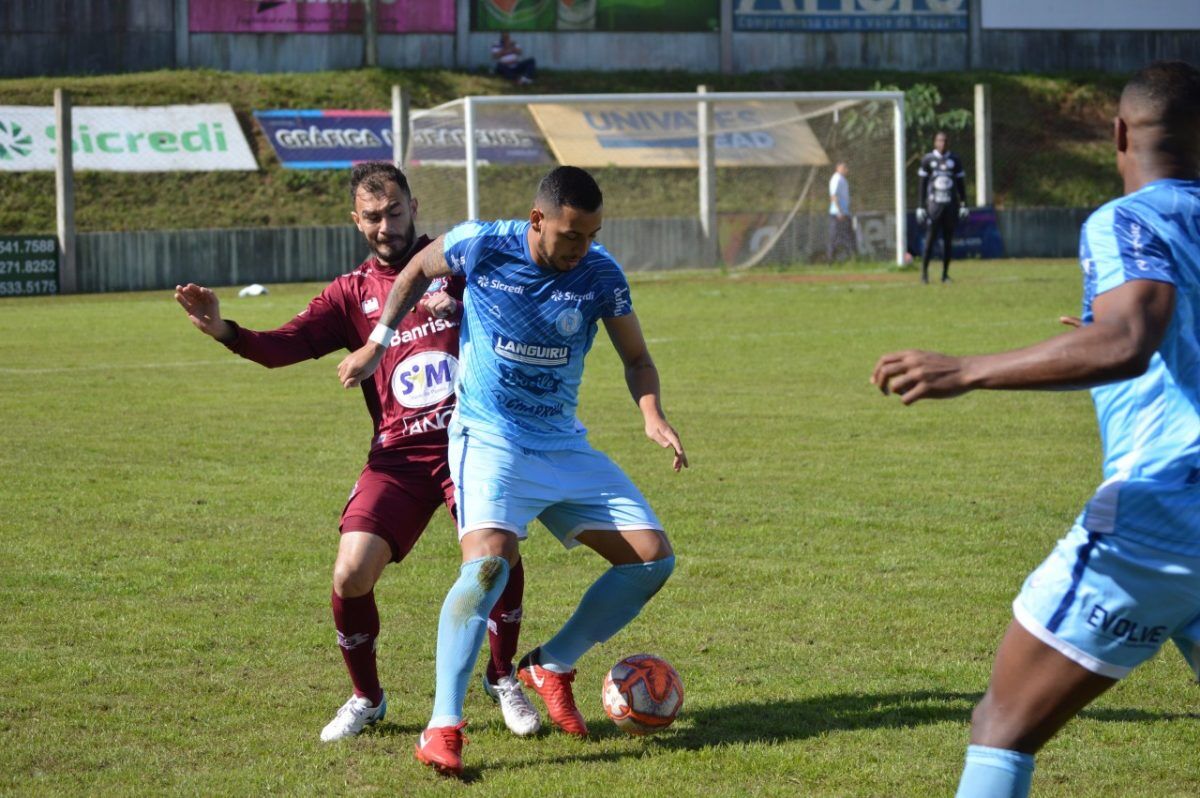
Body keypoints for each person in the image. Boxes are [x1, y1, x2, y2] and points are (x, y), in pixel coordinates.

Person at [872, 60, 1200, 798]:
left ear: (1118, 133)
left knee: (1003, 724)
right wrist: (1102, 336)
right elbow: (1151, 340)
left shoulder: (1129, 218)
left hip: (1165, 512)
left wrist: (966, 369)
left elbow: (1127, 341)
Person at [337, 165, 686, 777]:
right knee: (488, 564)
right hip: (489, 438)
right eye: (572, 235)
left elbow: (637, 358)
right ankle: (443, 726)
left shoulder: (600, 273)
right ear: (537, 220)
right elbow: (418, 269)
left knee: (653, 558)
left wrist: (652, 414)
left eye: (593, 234)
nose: (583, 248)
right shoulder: (483, 242)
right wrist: (379, 340)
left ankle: (550, 664)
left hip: (560, 443)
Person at [174, 161, 541, 743]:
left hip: (471, 447)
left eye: (394, 212)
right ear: (355, 220)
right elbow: (281, 347)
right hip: (396, 459)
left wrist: (470, 311)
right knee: (349, 575)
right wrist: (225, 330)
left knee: (498, 557)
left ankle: (503, 677)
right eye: (372, 216)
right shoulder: (350, 294)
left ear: (414, 208)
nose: (384, 225)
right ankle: (367, 698)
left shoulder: (461, 265)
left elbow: (525, 321)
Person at [916, 131, 969, 284]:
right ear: (935, 142)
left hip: (950, 207)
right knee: (930, 240)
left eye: (945, 141)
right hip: (934, 207)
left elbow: (960, 184)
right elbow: (922, 184)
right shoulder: (928, 160)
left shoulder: (955, 160)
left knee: (948, 241)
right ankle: (924, 275)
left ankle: (945, 275)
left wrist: (964, 204)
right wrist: (920, 206)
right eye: (940, 141)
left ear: (948, 143)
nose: (942, 144)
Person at [827, 162, 855, 262]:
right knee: (834, 236)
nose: (846, 170)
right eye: (844, 168)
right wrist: (839, 212)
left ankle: (852, 259)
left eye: (846, 168)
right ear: (838, 168)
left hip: (844, 212)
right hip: (837, 214)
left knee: (848, 236)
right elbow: (833, 196)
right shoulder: (836, 179)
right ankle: (831, 260)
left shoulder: (843, 179)